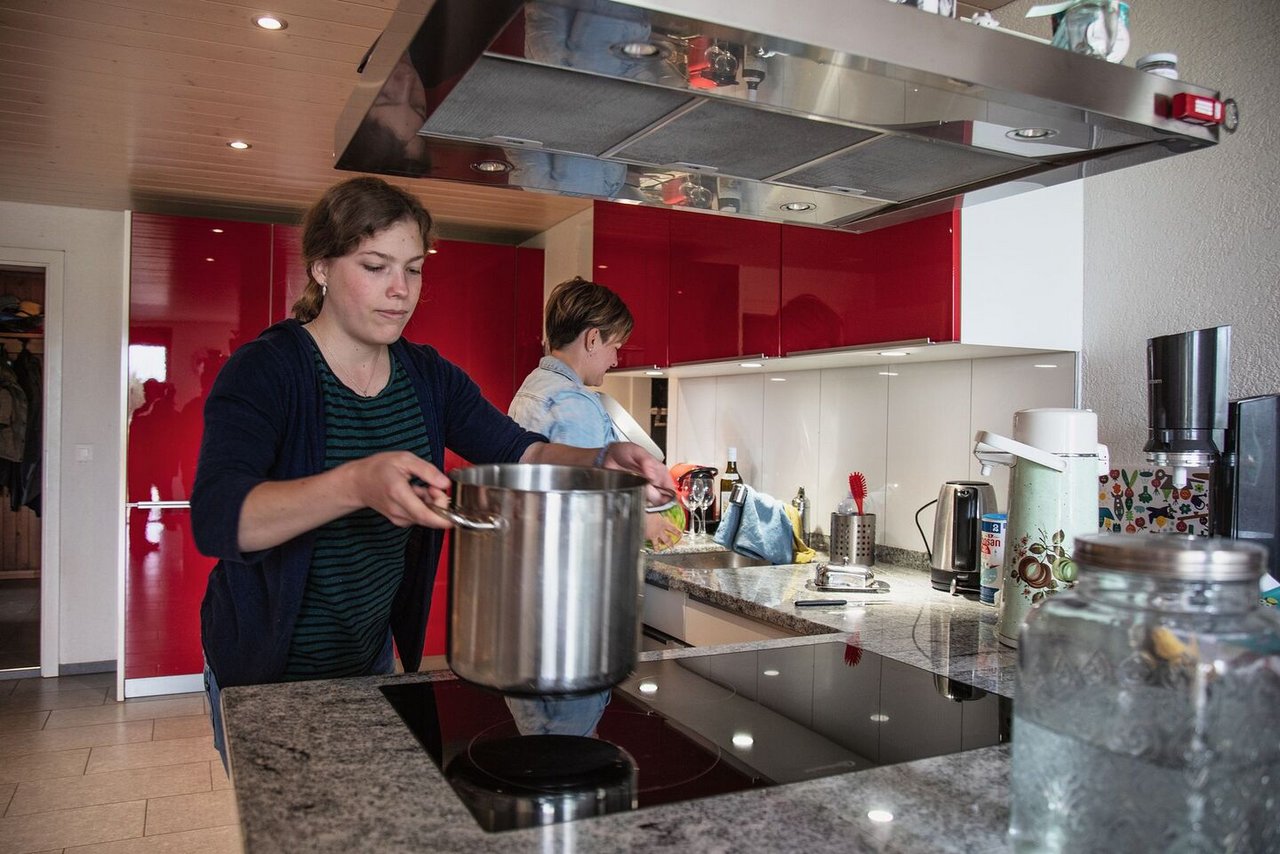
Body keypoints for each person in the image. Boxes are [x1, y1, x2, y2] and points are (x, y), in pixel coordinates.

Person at [191, 176, 670, 767]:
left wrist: (599, 459)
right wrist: (356, 483)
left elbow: (520, 450)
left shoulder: (426, 376)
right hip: (265, 674)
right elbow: (218, 520)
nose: (399, 291)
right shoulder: (268, 370)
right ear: (320, 267)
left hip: (371, 661)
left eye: (413, 269)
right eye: (374, 266)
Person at [505, 277, 680, 737]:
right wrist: (642, 519)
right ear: (591, 337)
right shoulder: (574, 404)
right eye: (615, 345)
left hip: (532, 605)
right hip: (567, 609)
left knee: (540, 740)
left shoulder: (533, 389)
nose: (616, 358)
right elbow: (582, 504)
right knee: (566, 747)